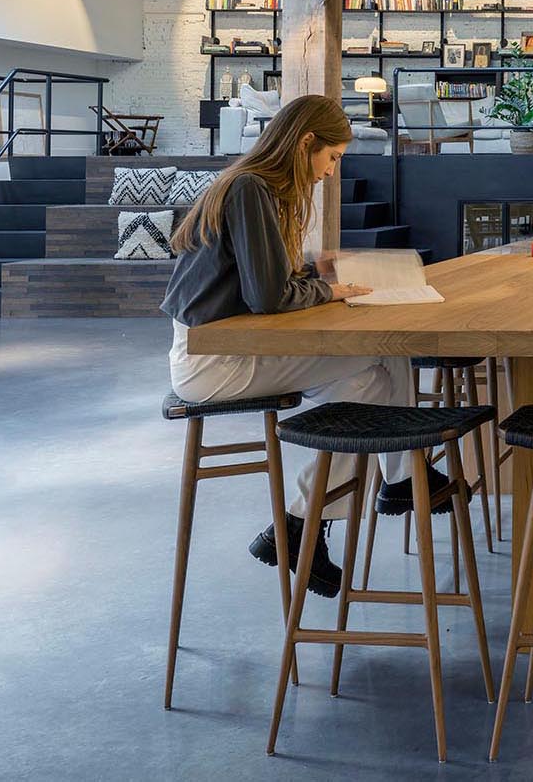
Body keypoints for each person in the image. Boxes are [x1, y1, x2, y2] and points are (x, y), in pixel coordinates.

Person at [164, 96, 456, 598]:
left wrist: (310, 268)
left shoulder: (250, 184)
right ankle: (399, 477)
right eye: (332, 157)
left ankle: (305, 524)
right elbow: (267, 296)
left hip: (227, 349)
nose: (330, 171)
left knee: (368, 381)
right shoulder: (251, 188)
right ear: (305, 143)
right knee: (387, 350)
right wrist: (331, 289)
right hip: (214, 361)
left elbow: (259, 277)